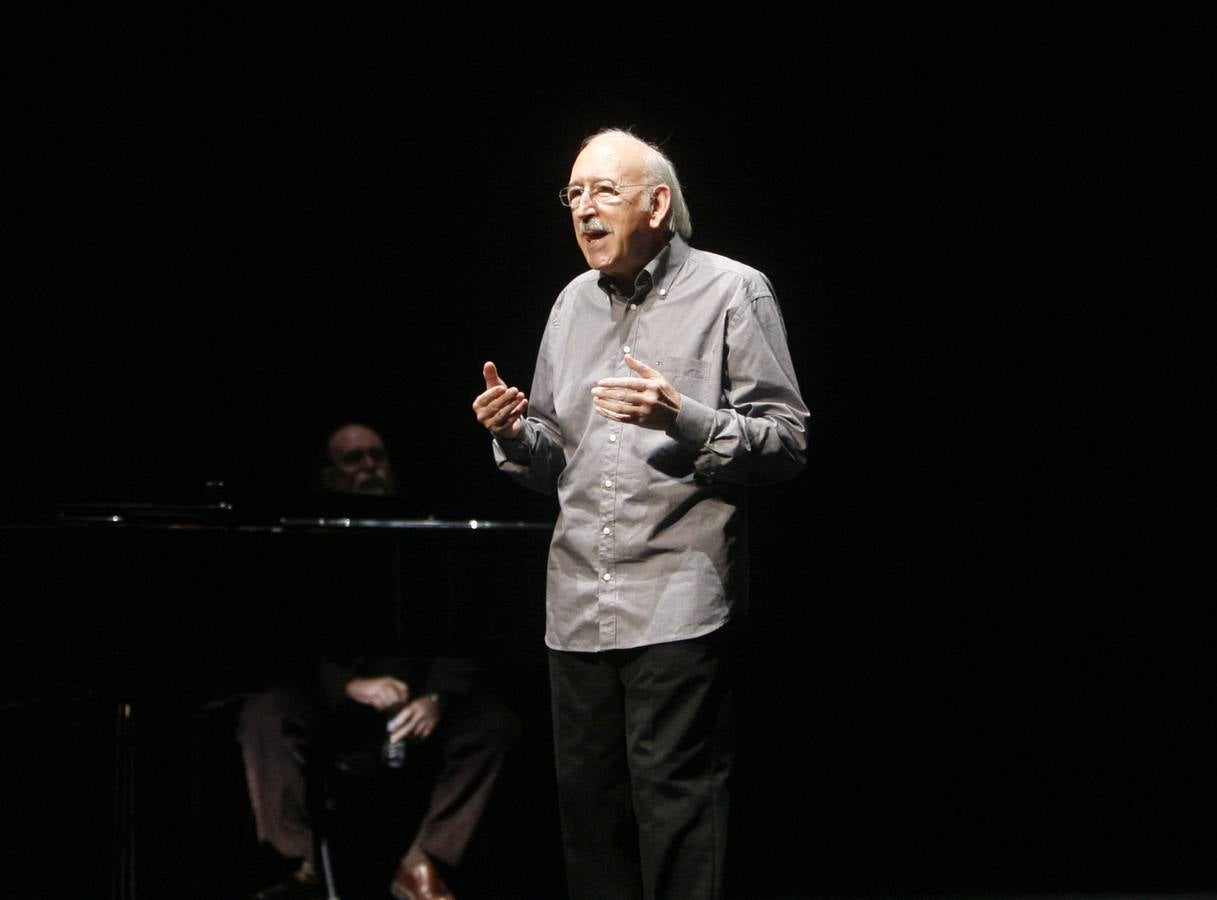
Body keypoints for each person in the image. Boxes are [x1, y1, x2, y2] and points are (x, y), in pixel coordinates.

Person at [472, 129, 810, 898]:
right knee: (588, 815)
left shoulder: (732, 290)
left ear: (657, 204)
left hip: (678, 594)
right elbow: (557, 455)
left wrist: (682, 417)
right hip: (577, 597)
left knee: (677, 809)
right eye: (574, 194)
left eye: (603, 192)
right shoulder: (570, 303)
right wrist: (514, 434)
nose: (583, 211)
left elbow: (786, 443)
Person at [237, 422, 520, 900]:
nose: (370, 467)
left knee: (494, 724)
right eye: (354, 460)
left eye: (377, 456)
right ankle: (299, 866)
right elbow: (284, 637)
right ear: (328, 475)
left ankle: (422, 862)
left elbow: (466, 627)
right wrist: (345, 685)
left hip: (416, 701)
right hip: (334, 700)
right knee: (264, 715)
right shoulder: (305, 542)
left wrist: (436, 697)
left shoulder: (425, 535)